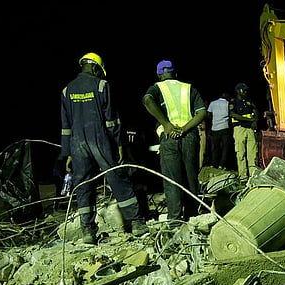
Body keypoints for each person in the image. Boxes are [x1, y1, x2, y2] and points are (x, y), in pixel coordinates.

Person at [60, 52, 149, 244]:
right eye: (100, 71)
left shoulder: (67, 90)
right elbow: (111, 120)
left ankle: (88, 231)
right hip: (99, 139)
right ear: (94, 67)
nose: (100, 74)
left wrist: (67, 153)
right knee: (117, 177)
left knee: (83, 184)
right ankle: (136, 223)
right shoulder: (101, 86)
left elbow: (65, 126)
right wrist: (118, 143)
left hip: (77, 144)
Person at [142, 60, 207, 222]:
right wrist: (184, 129)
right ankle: (192, 217)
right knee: (191, 178)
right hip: (189, 136)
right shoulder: (189, 88)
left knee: (172, 180)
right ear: (175, 73)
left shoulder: (156, 88)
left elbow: (147, 100)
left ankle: (174, 220)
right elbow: (201, 113)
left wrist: (167, 124)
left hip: (169, 137)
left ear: (159, 74)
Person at [229, 82, 260, 182]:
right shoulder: (233, 102)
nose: (246, 91)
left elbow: (256, 111)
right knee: (240, 153)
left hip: (250, 129)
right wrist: (250, 120)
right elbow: (233, 115)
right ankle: (243, 177)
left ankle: (253, 176)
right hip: (239, 129)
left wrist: (255, 120)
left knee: (252, 154)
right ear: (238, 91)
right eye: (243, 90)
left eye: (246, 90)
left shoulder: (249, 101)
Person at [207, 91, 232, 169]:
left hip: (215, 128)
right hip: (225, 127)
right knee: (225, 147)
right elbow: (231, 114)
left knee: (215, 147)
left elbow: (208, 114)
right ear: (225, 95)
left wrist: (213, 121)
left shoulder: (213, 103)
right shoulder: (228, 103)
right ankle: (222, 165)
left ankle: (213, 164)